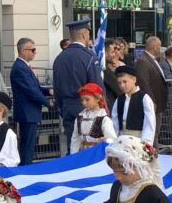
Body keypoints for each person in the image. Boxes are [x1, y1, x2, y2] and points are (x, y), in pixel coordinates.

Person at [53, 19, 104, 150]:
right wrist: (102, 107)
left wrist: (62, 107)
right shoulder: (88, 57)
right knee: (90, 149)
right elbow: (97, 87)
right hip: (88, 108)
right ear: (84, 35)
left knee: (72, 145)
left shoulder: (60, 58)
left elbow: (57, 88)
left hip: (67, 107)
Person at [10, 37, 51, 165]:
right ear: (23, 51)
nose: (35, 52)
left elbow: (36, 87)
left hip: (30, 113)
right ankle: (25, 170)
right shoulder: (19, 67)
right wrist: (47, 102)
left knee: (29, 145)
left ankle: (26, 167)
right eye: (32, 50)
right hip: (27, 113)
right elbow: (31, 90)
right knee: (27, 146)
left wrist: (48, 91)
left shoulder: (24, 66)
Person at [135, 36, 167, 145]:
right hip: (152, 103)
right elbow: (144, 83)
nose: (161, 48)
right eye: (159, 46)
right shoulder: (143, 61)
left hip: (157, 102)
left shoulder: (152, 59)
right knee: (152, 133)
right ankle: (152, 156)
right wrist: (151, 101)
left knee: (155, 132)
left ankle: (155, 154)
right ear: (154, 47)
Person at [112, 65, 156, 144]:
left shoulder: (144, 98)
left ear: (134, 79)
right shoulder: (119, 100)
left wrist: (146, 143)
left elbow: (149, 123)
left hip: (138, 141)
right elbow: (115, 123)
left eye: (125, 81)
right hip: (121, 141)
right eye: (119, 83)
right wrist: (113, 140)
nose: (122, 85)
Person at [70, 83, 117, 153]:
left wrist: (105, 140)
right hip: (83, 153)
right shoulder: (79, 118)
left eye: (87, 100)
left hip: (97, 154)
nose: (84, 102)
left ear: (97, 99)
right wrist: (73, 156)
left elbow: (112, 139)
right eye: (82, 100)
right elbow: (75, 139)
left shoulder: (104, 119)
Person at [103, 38, 124, 112]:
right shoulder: (104, 70)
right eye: (112, 52)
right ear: (104, 53)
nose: (114, 55)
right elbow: (118, 90)